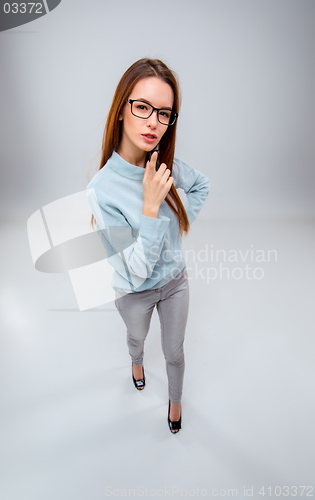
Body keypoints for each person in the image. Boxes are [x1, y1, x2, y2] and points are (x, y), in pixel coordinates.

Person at [86, 58, 210, 433]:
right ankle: (136, 363)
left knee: (174, 352)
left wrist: (173, 218)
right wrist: (152, 207)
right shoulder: (102, 190)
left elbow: (201, 186)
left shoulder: (165, 162)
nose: (153, 122)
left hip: (175, 282)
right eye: (142, 107)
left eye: (165, 113)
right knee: (136, 338)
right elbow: (137, 270)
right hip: (134, 292)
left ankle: (175, 403)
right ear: (122, 109)